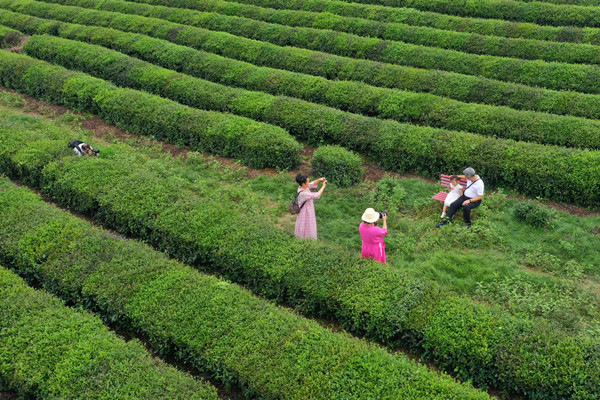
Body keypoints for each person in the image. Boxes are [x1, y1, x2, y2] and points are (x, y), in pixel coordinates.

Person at [294, 174, 327, 239]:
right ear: (303, 184)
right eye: (307, 182)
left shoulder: (301, 187)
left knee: (305, 224)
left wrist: (319, 180)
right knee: (307, 224)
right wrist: (323, 186)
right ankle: (307, 238)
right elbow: (317, 195)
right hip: (306, 211)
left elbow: (312, 184)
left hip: (307, 209)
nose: (309, 183)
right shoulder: (304, 193)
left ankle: (304, 237)